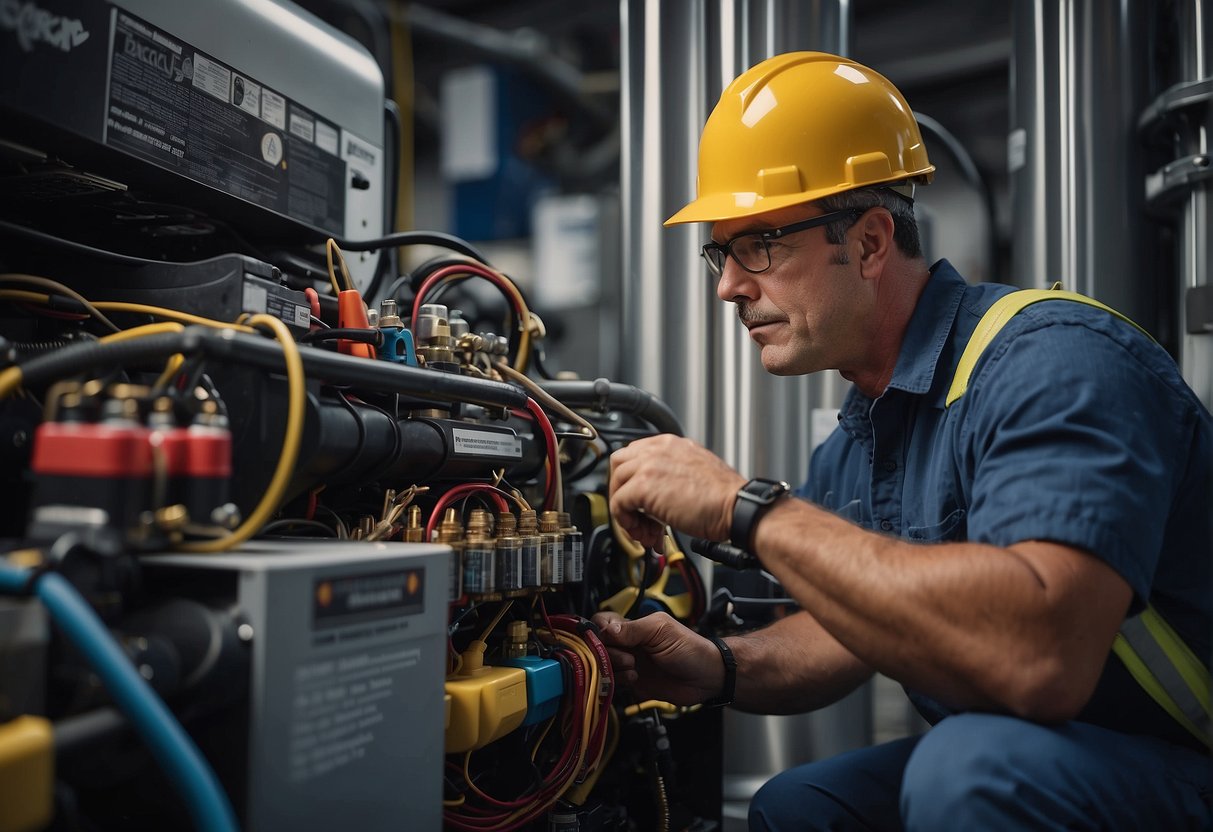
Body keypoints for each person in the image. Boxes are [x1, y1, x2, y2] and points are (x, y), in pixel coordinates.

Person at [593, 51, 1213, 831]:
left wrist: (744, 506)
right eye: (723, 252)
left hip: (1181, 761)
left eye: (760, 245)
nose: (728, 286)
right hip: (1052, 754)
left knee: (969, 769)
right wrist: (718, 668)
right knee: (797, 805)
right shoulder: (863, 431)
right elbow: (848, 624)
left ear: (869, 242)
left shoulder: (1053, 360)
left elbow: (1040, 656)